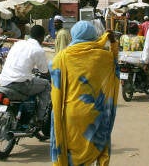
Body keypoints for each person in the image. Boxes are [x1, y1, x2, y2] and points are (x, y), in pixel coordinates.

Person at [50, 21, 119, 166]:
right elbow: (115, 66)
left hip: (71, 115)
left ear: (73, 35)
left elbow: (54, 76)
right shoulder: (104, 57)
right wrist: (113, 42)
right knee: (97, 149)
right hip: (96, 114)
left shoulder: (62, 57)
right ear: (93, 36)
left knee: (72, 157)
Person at [0, 25, 50, 123]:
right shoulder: (38, 50)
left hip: (3, 81)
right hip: (20, 84)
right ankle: (40, 118)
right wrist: (50, 78)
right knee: (46, 85)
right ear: (42, 37)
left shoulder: (18, 43)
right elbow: (44, 72)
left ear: (30, 35)